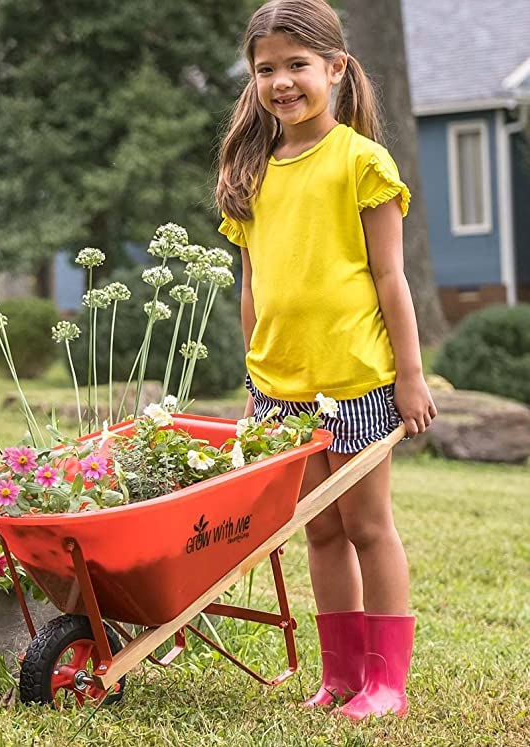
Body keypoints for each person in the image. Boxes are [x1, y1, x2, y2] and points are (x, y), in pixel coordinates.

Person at [215, 0, 436, 721]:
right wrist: (254, 379)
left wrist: (409, 375)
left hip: (358, 381)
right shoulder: (251, 169)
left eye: (297, 65)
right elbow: (253, 288)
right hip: (281, 386)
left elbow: (389, 278)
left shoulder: (361, 161)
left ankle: (386, 683)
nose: (282, 82)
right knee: (318, 529)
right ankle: (339, 676)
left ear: (336, 69)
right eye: (266, 69)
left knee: (367, 526)